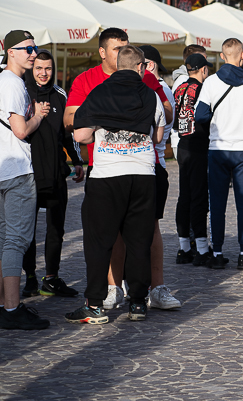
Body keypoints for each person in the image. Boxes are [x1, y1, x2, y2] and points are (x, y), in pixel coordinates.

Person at [63, 28, 172, 311]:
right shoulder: (150, 94)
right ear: (139, 67)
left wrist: (101, 132)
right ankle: (138, 303)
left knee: (100, 241)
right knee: (139, 240)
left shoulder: (98, 91)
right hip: (143, 173)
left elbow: (79, 135)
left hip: (107, 174)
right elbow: (159, 136)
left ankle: (96, 304)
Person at [194, 38, 243, 270]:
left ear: (222, 56)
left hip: (218, 148)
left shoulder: (211, 82)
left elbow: (200, 115)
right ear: (242, 56)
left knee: (217, 203)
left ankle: (217, 252)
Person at [21, 50, 84, 300]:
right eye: (38, 68)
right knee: (27, 230)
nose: (43, 73)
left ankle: (51, 278)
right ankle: (30, 278)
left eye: (48, 68)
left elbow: (68, 132)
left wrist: (77, 160)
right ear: (31, 68)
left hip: (57, 171)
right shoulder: (23, 93)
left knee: (56, 228)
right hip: (29, 172)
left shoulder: (60, 94)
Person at [0, 31, 51, 330]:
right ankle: (12, 308)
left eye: (35, 48)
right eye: (28, 49)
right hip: (17, 169)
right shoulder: (14, 83)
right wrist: (39, 116)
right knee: (16, 241)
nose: (33, 54)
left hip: (3, 168)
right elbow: (20, 130)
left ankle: (4, 305)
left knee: (4, 239)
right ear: (11, 51)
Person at [138, 45, 181, 311]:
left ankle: (155, 287)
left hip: (153, 164)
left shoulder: (160, 90)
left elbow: (164, 125)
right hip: (130, 164)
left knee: (150, 227)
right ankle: (121, 286)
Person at [173, 53, 213, 265]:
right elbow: (206, 117)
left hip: (182, 145)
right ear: (203, 69)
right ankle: (202, 248)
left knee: (184, 196)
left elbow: (173, 119)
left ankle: (183, 247)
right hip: (198, 145)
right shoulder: (202, 89)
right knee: (199, 197)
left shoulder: (179, 88)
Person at [170, 44, 207, 153]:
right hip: (187, 140)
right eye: (203, 59)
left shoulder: (183, 82)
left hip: (184, 139)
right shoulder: (185, 82)